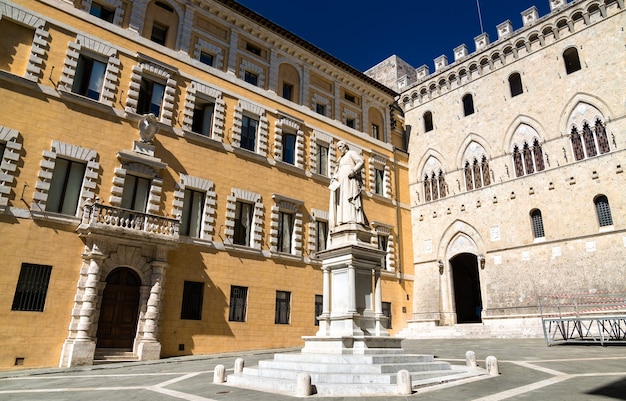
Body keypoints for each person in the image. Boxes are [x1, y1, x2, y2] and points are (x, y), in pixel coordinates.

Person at [329, 141, 368, 228]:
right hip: (342, 183)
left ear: (345, 146)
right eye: (338, 147)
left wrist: (353, 171)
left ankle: (352, 218)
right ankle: (344, 219)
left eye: (340, 146)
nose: (339, 149)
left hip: (350, 181)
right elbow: (337, 171)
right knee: (343, 200)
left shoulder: (351, 153)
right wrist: (334, 178)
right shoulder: (340, 159)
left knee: (350, 199)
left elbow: (360, 162)